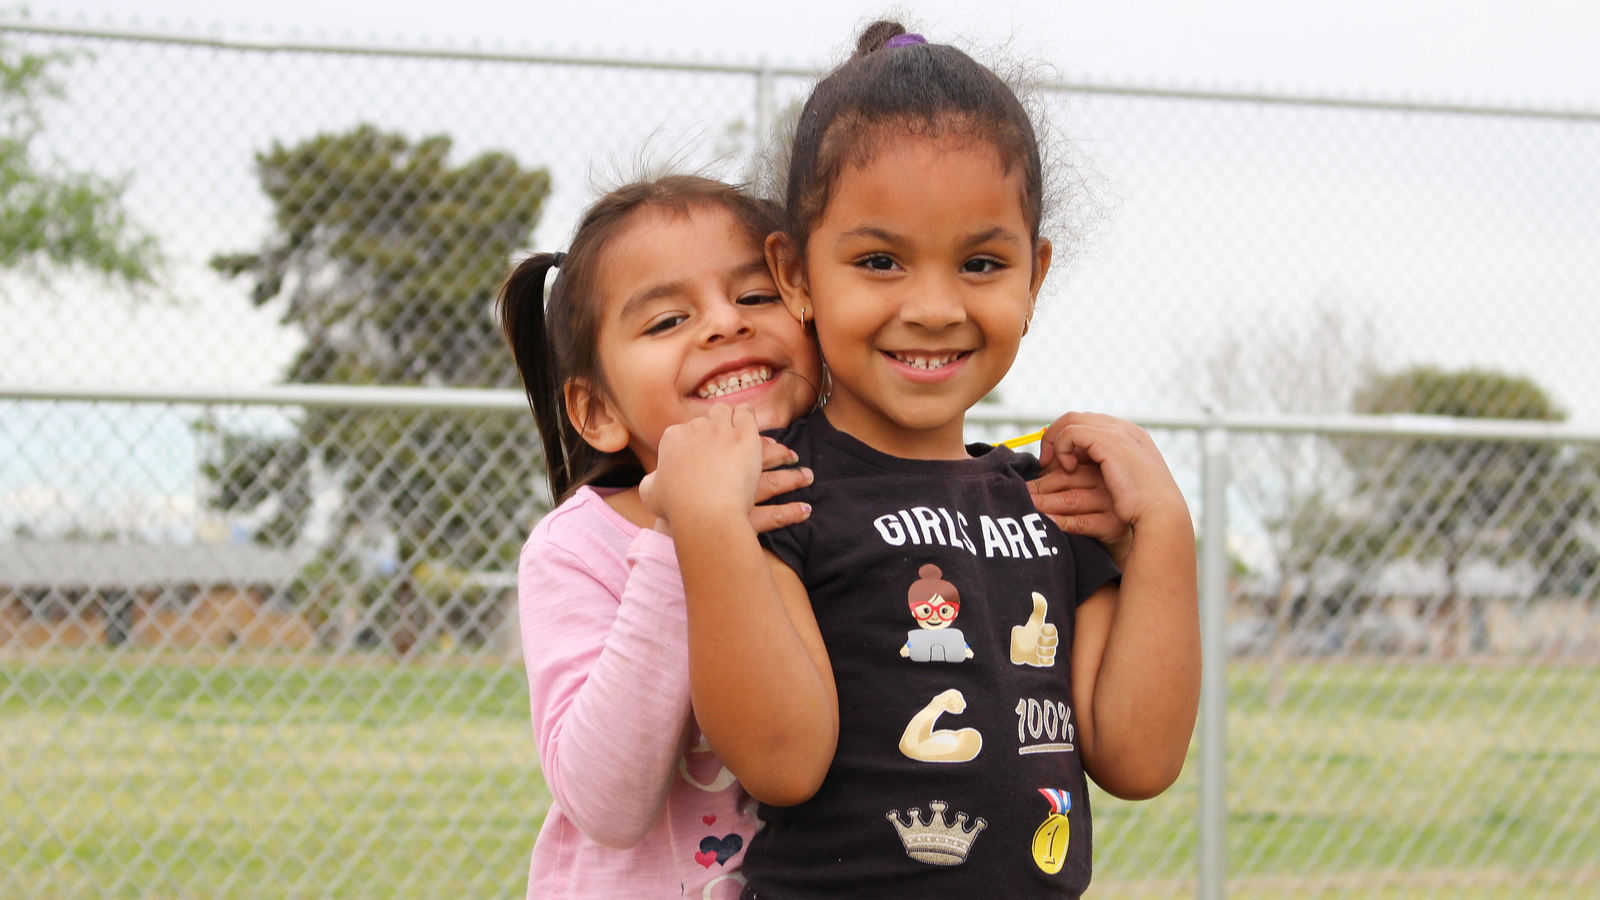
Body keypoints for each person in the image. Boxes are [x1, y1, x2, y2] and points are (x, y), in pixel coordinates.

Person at [641, 22, 1201, 899]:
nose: (935, 306)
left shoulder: (1053, 505)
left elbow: (1140, 758)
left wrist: (1165, 533)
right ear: (795, 274)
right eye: (879, 261)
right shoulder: (777, 490)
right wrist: (709, 527)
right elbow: (782, 763)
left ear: (1034, 277)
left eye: (981, 262)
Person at [498, 174, 1129, 899]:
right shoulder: (579, 547)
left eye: (756, 297)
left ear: (810, 309)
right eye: (667, 320)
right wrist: (686, 534)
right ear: (597, 408)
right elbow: (606, 805)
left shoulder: (848, 517)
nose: (723, 324)